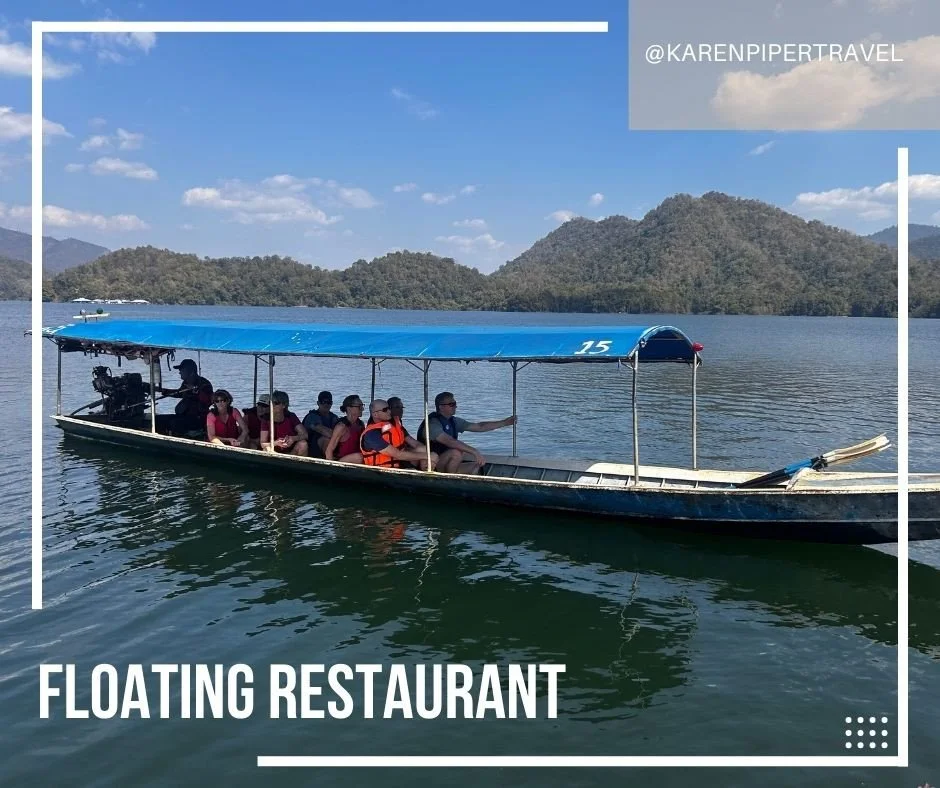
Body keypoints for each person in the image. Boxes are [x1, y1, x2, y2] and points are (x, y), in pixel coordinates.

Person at [416, 391, 517, 474]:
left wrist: (505, 423)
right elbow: (449, 441)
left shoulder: (454, 421)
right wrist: (474, 451)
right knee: (456, 453)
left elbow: (479, 427)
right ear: (441, 407)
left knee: (476, 466)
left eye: (455, 403)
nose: (455, 406)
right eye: (451, 404)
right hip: (431, 463)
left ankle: (455, 480)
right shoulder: (433, 424)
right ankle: (451, 482)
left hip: (445, 461)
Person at [361, 399, 438, 470]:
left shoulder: (393, 425)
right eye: (385, 410)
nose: (389, 411)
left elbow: (414, 443)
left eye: (389, 408)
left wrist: (428, 453)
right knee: (427, 455)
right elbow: (398, 454)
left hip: (400, 462)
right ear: (375, 415)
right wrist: (428, 456)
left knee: (422, 449)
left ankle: (427, 473)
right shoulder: (371, 434)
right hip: (383, 469)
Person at [155, 357, 213, 436]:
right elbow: (179, 393)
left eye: (181, 370)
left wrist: (196, 391)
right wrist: (162, 391)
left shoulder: (204, 384)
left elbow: (209, 400)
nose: (179, 372)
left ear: (191, 372)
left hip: (198, 419)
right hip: (183, 416)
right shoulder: (185, 383)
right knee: (157, 419)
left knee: (174, 423)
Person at [258, 391, 309, 455]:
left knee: (303, 444)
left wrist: (293, 438)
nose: (272, 405)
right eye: (270, 402)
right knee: (266, 449)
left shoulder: (290, 416)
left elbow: (305, 435)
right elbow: (263, 444)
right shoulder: (266, 419)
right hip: (274, 453)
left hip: (291, 452)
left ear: (284, 405)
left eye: (276, 403)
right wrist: (276, 443)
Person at [323, 394, 366, 463]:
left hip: (356, 461)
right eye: (359, 406)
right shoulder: (341, 427)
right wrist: (332, 468)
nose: (362, 409)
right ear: (349, 408)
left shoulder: (360, 424)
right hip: (342, 462)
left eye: (362, 406)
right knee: (359, 457)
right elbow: (329, 451)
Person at [302, 390, 340, 458]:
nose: (326, 404)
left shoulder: (334, 417)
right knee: (326, 439)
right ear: (318, 403)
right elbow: (325, 432)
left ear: (331, 403)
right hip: (311, 450)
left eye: (329, 402)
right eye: (323, 402)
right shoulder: (312, 416)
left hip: (330, 448)